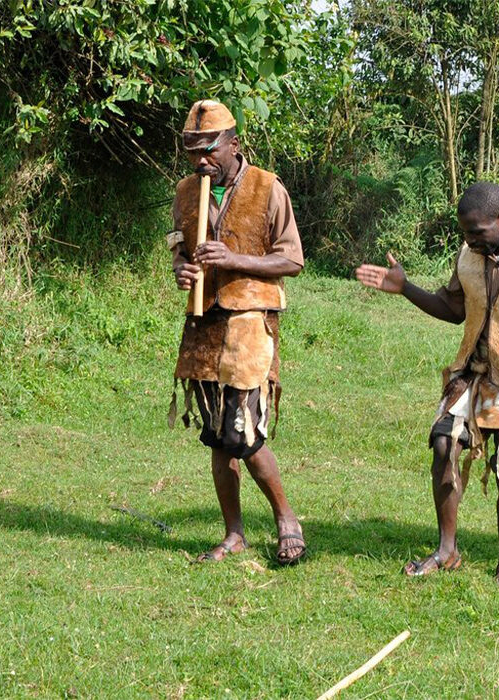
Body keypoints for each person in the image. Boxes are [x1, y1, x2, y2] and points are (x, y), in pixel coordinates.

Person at [356, 181, 499, 579]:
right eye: (464, 233)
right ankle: (447, 550)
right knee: (443, 444)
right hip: (474, 373)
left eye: (477, 232)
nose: (469, 240)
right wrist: (406, 288)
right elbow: (453, 308)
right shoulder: (469, 255)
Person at [167, 100, 306, 565]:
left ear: (233, 143)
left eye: (209, 150)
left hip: (249, 324)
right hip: (202, 324)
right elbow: (179, 250)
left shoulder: (268, 188)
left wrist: (234, 260)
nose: (201, 161)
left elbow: (292, 259)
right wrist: (183, 271)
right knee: (215, 434)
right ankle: (234, 534)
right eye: (192, 151)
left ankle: (287, 519)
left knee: (243, 433)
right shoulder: (186, 191)